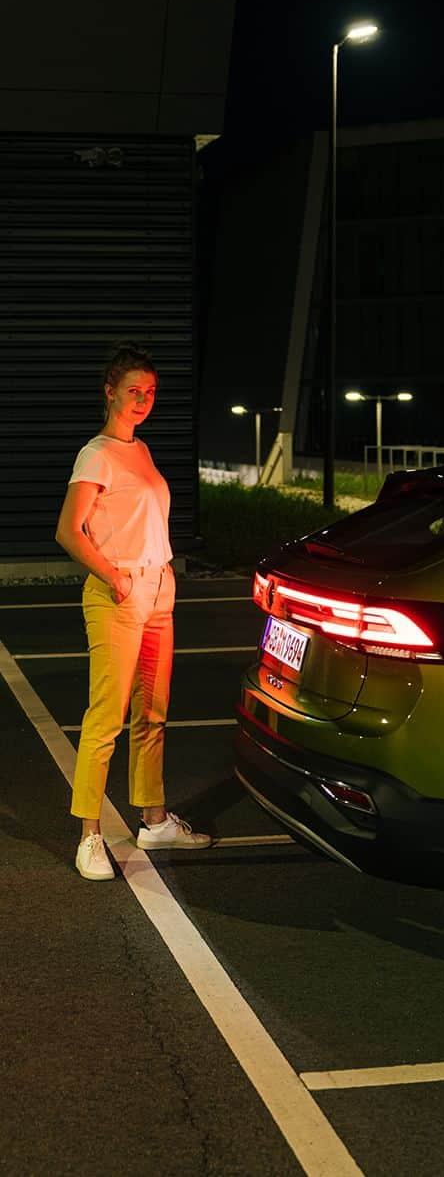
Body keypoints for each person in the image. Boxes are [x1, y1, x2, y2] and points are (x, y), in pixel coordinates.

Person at [55, 341, 210, 880]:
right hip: (117, 590)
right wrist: (115, 576)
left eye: (150, 391)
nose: (143, 398)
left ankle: (154, 817)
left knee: (153, 712)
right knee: (106, 718)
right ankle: (89, 835)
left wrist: (157, 579)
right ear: (110, 392)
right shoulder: (96, 453)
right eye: (133, 390)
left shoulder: (138, 450)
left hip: (158, 587)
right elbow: (68, 531)